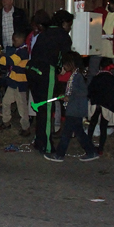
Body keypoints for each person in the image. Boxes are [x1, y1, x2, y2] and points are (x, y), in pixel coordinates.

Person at [28, 9, 74, 153]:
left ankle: (39, 141)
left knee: (41, 109)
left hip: (31, 70)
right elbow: (64, 57)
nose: (70, 28)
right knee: (48, 110)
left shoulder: (43, 34)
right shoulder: (63, 36)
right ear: (63, 23)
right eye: (69, 24)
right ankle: (47, 146)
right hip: (45, 72)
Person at [44, 52, 99, 162]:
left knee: (66, 133)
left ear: (71, 63)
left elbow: (83, 92)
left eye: (65, 63)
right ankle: (91, 151)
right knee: (78, 132)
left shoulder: (78, 76)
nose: (64, 65)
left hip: (75, 109)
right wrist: (66, 96)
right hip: (75, 108)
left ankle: (59, 155)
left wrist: (69, 97)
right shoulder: (75, 75)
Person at [0, 30, 30, 136]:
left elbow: (9, 61)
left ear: (19, 40)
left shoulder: (22, 52)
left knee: (22, 107)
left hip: (20, 83)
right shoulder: (19, 50)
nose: (13, 43)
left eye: (14, 40)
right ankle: (6, 122)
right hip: (14, 82)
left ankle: (26, 128)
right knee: (5, 102)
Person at [86, 57, 114, 155]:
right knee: (103, 128)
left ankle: (88, 145)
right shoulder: (113, 79)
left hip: (96, 103)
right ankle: (100, 149)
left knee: (92, 124)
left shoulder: (96, 77)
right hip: (107, 105)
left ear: (100, 66)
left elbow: (90, 90)